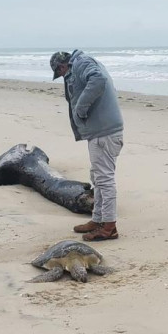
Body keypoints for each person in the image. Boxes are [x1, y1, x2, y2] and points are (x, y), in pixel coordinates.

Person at [50, 50, 124, 241]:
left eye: (60, 74)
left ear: (62, 66)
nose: (63, 77)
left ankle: (109, 227)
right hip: (100, 131)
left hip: (105, 133)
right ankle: (98, 219)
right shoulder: (83, 63)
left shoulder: (81, 64)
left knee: (104, 179)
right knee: (97, 178)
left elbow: (98, 80)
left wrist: (81, 108)